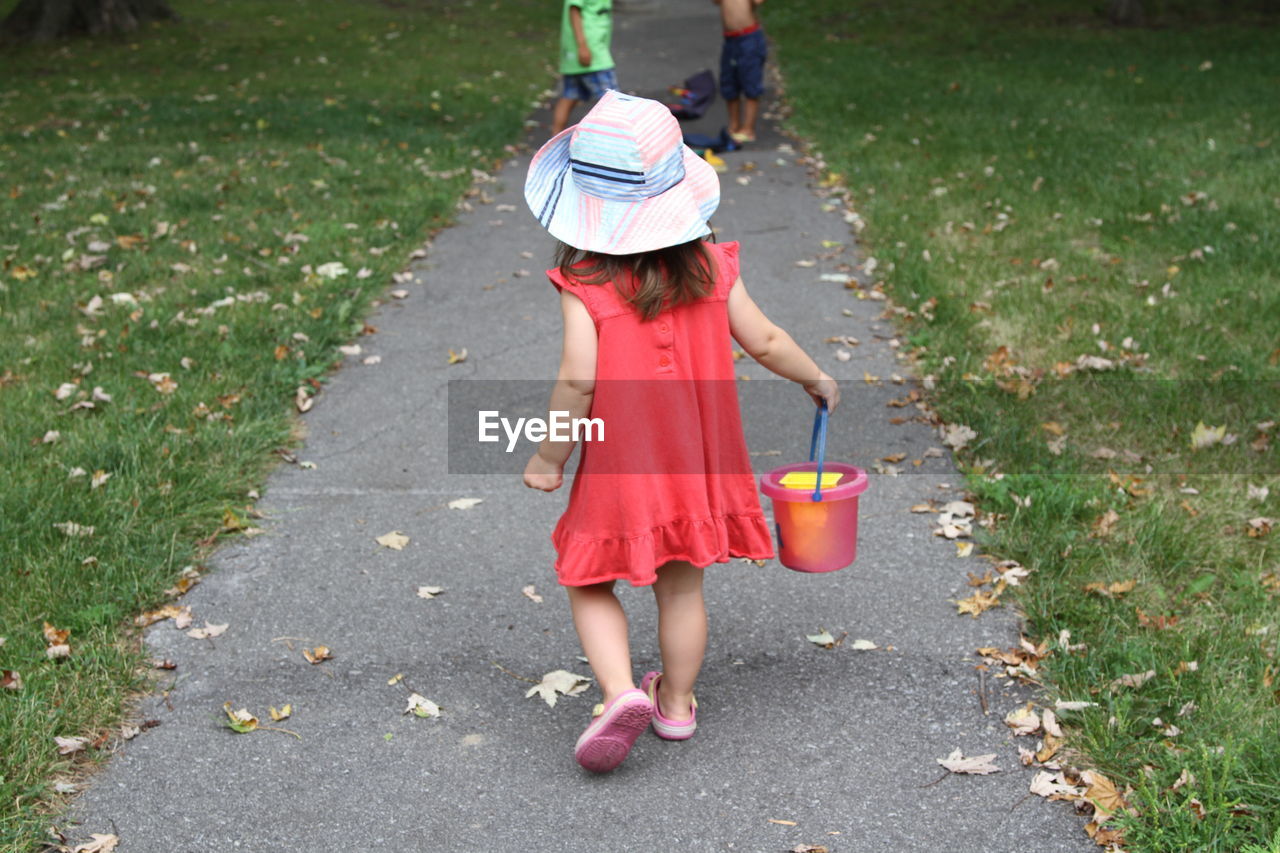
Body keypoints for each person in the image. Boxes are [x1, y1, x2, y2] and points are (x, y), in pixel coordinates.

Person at [522, 91, 839, 773]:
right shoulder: (712, 266)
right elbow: (767, 338)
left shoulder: (586, 282)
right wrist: (815, 376)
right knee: (681, 586)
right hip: (697, 468)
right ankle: (676, 704)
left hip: (620, 469)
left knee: (587, 577)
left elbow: (578, 381)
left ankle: (617, 692)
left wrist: (550, 457)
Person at [551, 0, 617, 135]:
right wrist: (582, 46)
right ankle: (614, 142)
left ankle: (552, 143)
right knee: (614, 103)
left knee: (570, 96)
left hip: (582, 52)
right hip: (591, 53)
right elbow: (574, 10)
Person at [713, 0, 767, 143]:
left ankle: (748, 128)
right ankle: (734, 125)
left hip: (749, 38)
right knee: (729, 82)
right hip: (730, 39)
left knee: (750, 81)